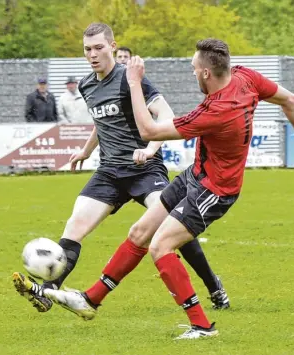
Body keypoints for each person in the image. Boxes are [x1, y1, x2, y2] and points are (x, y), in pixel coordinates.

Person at [42, 38, 294, 340]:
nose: (193, 73)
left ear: (207, 72)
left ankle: (202, 326)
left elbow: (148, 131)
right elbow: (291, 100)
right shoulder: (246, 76)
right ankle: (90, 300)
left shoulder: (216, 111)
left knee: (160, 246)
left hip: (214, 190)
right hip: (195, 175)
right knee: (139, 232)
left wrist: (133, 83)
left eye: (194, 69)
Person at [12, 24, 229, 315]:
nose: (92, 54)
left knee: (173, 224)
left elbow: (165, 114)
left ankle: (213, 285)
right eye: (87, 49)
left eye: (99, 47)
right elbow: (100, 123)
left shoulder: (130, 79)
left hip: (145, 170)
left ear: (113, 46)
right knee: (74, 226)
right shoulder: (87, 85)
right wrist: (86, 151)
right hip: (109, 172)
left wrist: (151, 148)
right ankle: (48, 291)